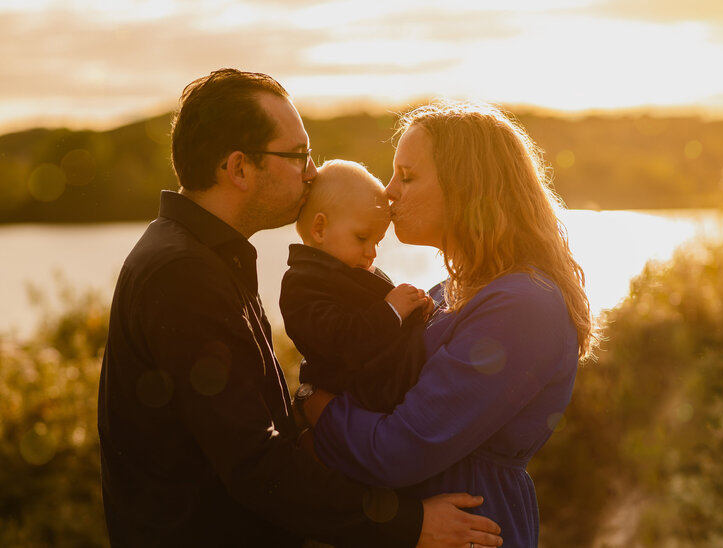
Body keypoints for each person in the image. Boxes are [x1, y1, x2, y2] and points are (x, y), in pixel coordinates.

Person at [97, 69, 503, 547]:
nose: (312, 171)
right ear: (239, 169)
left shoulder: (198, 256)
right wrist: (406, 524)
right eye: (298, 156)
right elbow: (254, 463)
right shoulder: (182, 274)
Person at [300, 102, 593, 548]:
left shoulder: (522, 307)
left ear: (467, 188)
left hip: (475, 528)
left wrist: (316, 407)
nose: (388, 191)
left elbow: (399, 449)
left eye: (408, 176)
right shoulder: (446, 293)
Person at [280, 159, 430, 413]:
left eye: (378, 242)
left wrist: (414, 308)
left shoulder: (352, 269)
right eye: (362, 238)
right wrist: (391, 311)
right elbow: (340, 341)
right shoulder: (302, 285)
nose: (371, 252)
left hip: (381, 396)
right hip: (354, 405)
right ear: (320, 228)